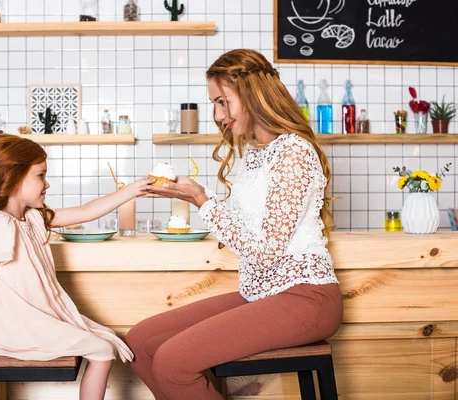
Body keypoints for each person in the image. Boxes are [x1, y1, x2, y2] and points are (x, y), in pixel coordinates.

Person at [128, 49, 343, 400]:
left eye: (222, 102)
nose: (217, 115)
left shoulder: (294, 152)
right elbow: (244, 226)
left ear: (252, 93)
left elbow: (264, 250)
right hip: (260, 294)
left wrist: (202, 200)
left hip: (307, 297)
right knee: (140, 343)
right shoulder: (254, 154)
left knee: (172, 361)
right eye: (214, 104)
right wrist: (193, 196)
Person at [0, 134, 153, 400]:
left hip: (33, 321)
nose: (47, 183)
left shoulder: (32, 218)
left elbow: (86, 211)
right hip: (14, 329)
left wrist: (132, 190)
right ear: (14, 177)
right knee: (101, 349)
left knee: (106, 340)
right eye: (41, 175)